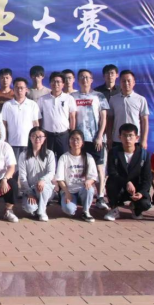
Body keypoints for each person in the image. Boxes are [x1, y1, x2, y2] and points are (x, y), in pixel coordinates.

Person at [72, 69, 110, 210]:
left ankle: (100, 197)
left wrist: (100, 136)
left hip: (95, 139)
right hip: (79, 140)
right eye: (82, 77)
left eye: (87, 77)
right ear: (78, 80)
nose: (85, 80)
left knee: (99, 168)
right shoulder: (72, 96)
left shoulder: (99, 96)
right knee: (81, 168)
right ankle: (82, 194)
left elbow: (104, 118)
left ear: (92, 80)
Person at [104, 124, 152, 222]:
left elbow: (147, 178)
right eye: (124, 135)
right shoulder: (114, 152)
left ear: (137, 138)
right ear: (119, 137)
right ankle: (114, 209)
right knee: (111, 183)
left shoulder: (144, 154)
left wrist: (141, 192)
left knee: (145, 204)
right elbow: (112, 172)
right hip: (120, 187)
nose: (127, 139)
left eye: (131, 135)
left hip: (137, 189)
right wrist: (127, 182)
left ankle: (136, 209)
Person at [55, 130, 98, 223]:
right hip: (69, 190)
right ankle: (74, 204)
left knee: (90, 189)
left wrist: (89, 181)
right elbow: (60, 179)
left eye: (78, 139)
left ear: (82, 142)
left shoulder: (88, 157)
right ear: (69, 141)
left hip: (83, 189)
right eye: (72, 139)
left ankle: (86, 211)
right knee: (68, 210)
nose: (75, 142)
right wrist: (67, 193)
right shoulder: (64, 157)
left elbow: (93, 176)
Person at [18, 127, 55, 222]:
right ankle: (38, 205)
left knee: (42, 188)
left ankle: (42, 212)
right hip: (30, 189)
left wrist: (42, 180)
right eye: (34, 136)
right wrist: (29, 193)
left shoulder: (49, 154)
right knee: (29, 208)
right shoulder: (23, 155)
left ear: (45, 138)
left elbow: (51, 173)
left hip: (46, 188)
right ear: (30, 138)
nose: (37, 139)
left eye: (40, 136)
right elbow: (22, 177)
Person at [107, 70, 149, 153]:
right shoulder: (113, 99)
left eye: (129, 81)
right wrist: (109, 138)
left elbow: (145, 121)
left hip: (135, 140)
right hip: (117, 139)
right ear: (120, 83)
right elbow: (110, 120)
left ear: (134, 82)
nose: (126, 83)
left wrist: (144, 140)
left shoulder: (141, 99)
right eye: (123, 81)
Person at [38, 72, 77, 160]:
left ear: (63, 84)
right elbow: (39, 117)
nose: (56, 84)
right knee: (46, 159)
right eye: (53, 81)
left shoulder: (69, 98)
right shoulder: (43, 99)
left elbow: (72, 117)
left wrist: (72, 134)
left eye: (58, 82)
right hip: (47, 135)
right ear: (50, 83)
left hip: (63, 135)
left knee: (64, 159)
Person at [2, 77, 40, 159]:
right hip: (12, 143)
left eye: (22, 88)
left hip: (29, 143)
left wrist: (36, 139)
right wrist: (4, 139)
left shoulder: (32, 104)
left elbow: (35, 124)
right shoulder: (7, 105)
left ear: (26, 89)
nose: (19, 90)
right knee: (14, 166)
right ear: (13, 89)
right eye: (17, 87)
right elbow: (4, 124)